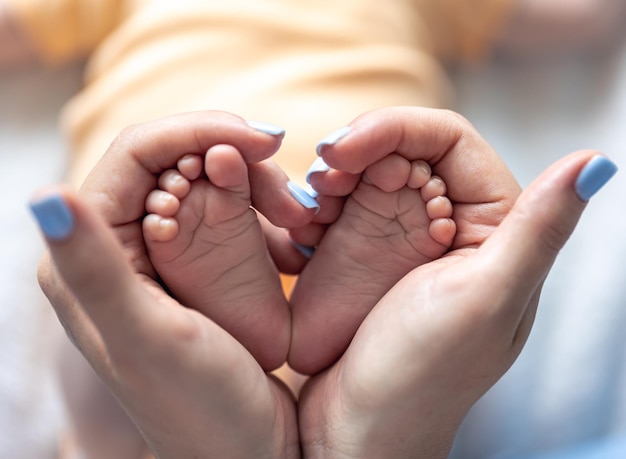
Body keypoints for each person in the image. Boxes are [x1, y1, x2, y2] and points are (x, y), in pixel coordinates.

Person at [31, 107, 617, 458]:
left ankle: (107, 443)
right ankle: (370, 412)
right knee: (105, 295)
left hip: (215, 203)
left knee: (109, 325)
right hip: (344, 191)